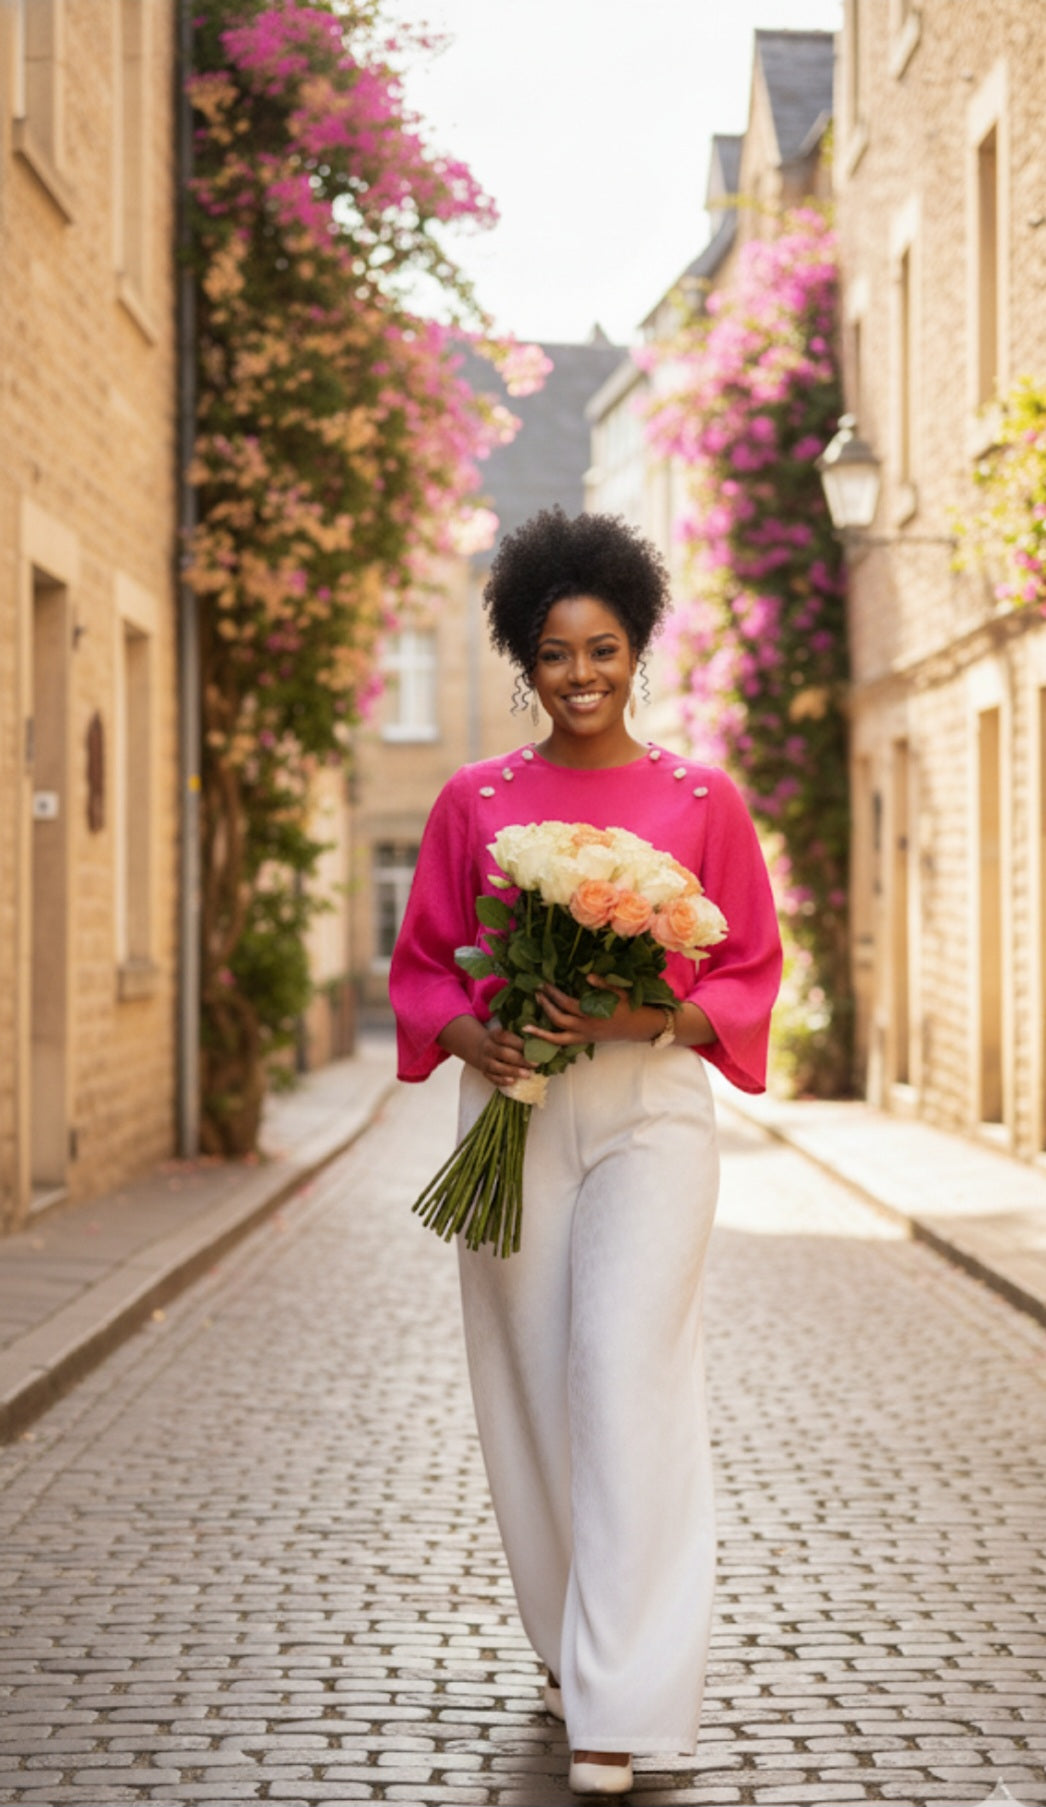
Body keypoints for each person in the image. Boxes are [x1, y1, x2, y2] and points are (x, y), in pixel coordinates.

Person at [390, 508, 782, 1797]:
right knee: (527, 1388)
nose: (580, 675)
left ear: (638, 648)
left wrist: (648, 1013)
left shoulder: (701, 799)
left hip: (654, 1111)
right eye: (554, 653)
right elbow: (425, 964)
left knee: (622, 1371)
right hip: (513, 1115)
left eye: (603, 648)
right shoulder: (474, 801)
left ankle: (626, 1701)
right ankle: (572, 1642)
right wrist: (471, 1039)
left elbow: (746, 970)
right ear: (525, 658)